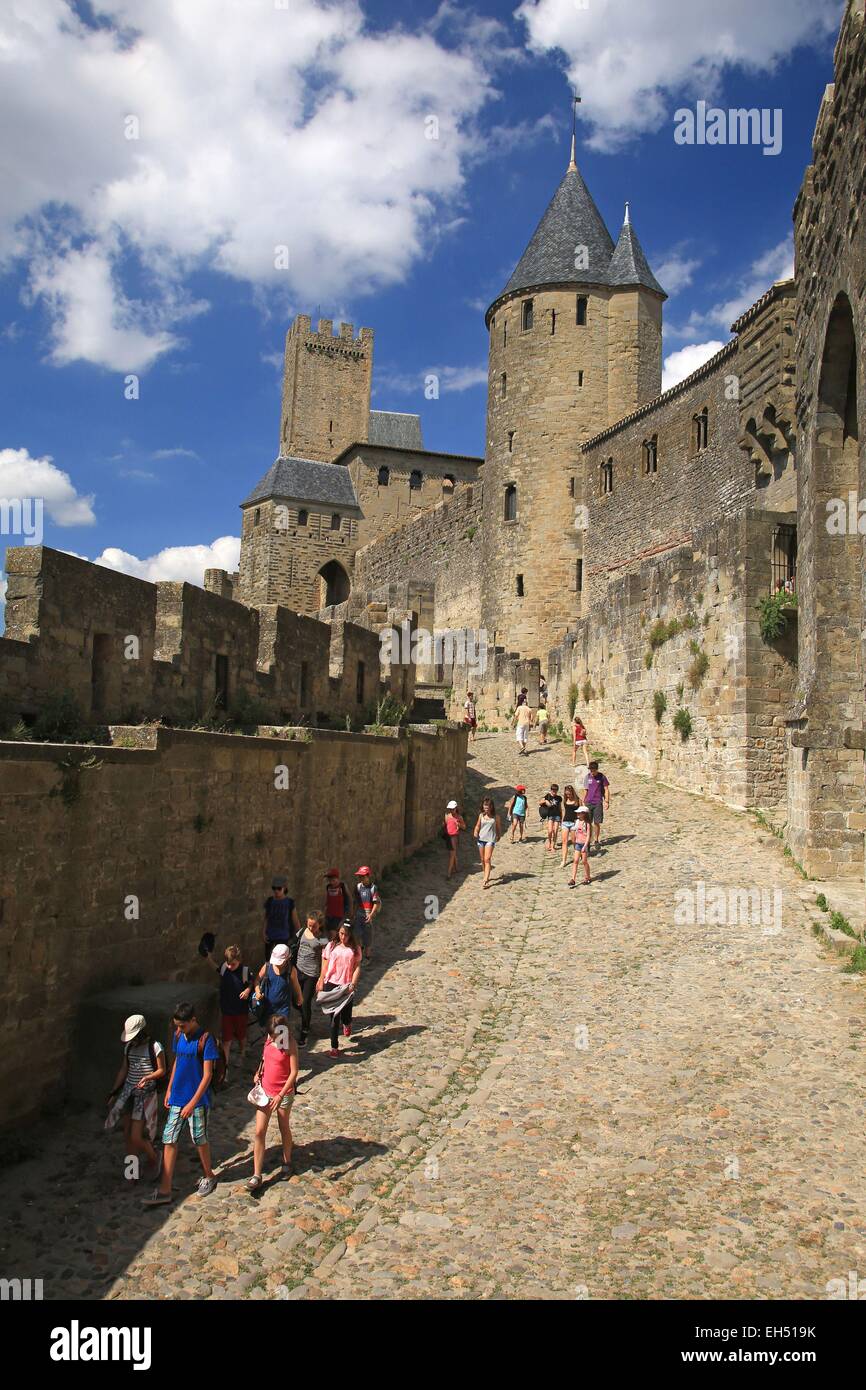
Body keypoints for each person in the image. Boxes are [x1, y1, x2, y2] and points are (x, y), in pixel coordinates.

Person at [142, 1003, 220, 1206]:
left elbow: (207, 1075)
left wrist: (193, 1102)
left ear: (193, 1020)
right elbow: (177, 1061)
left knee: (199, 1138)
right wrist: (169, 1088)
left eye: (182, 1026)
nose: (179, 1029)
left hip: (197, 1100)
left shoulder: (206, 1039)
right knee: (169, 1138)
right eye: (177, 1025)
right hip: (178, 1097)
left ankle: (209, 1175)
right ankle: (165, 1189)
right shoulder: (178, 1036)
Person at [105, 1014, 166, 1182]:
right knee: (127, 1134)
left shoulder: (155, 1047)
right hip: (128, 1093)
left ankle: (154, 1157)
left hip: (144, 1095)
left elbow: (162, 1070)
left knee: (136, 1136)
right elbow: (124, 1069)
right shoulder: (129, 1048)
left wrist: (148, 1078)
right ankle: (132, 1172)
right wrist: (113, 1092)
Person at [247, 1014, 299, 1190]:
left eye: (275, 1035)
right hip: (265, 1091)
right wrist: (259, 1072)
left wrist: (280, 1095)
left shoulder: (290, 1043)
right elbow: (264, 1057)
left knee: (284, 1127)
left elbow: (293, 1072)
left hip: (283, 1094)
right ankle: (256, 1174)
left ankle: (287, 1161)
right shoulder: (269, 1038)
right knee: (259, 1131)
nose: (272, 1037)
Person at [317, 920, 362, 1058]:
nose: (343, 937)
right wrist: (320, 980)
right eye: (341, 933)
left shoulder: (355, 949)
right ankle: (334, 1046)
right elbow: (325, 963)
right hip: (331, 983)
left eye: (346, 935)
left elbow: (357, 967)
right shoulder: (331, 946)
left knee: (346, 1015)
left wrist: (353, 984)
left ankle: (347, 1023)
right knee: (333, 1017)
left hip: (346, 985)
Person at [204, 943, 252, 1071]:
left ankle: (242, 1052)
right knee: (226, 1039)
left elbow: (251, 984)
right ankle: (224, 1067)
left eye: (233, 964)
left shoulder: (244, 971)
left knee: (241, 1035)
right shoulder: (225, 968)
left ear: (239, 961)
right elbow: (215, 967)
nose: (230, 967)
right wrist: (208, 957)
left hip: (240, 1011)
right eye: (228, 964)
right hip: (227, 1011)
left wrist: (247, 990)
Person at [295, 911, 328, 1045]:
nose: (310, 928)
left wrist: (321, 977)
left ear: (319, 925)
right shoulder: (302, 931)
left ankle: (305, 1030)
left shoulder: (323, 939)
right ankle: (304, 1016)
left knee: (305, 1002)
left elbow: (325, 959)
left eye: (313, 926)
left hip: (311, 974)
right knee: (295, 1000)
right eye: (309, 925)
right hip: (298, 971)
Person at [254, 943, 303, 1026]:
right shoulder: (267, 967)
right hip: (267, 1006)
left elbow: (296, 985)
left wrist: (299, 997)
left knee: (281, 1030)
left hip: (283, 1009)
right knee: (269, 1029)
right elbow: (257, 981)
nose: (277, 964)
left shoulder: (291, 971)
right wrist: (258, 992)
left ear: (287, 959)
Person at [263, 875, 301, 959]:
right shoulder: (270, 901)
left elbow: (295, 920)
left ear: (284, 888)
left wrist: (299, 935)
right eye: (274, 888)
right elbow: (266, 918)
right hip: (270, 935)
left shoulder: (290, 903)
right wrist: (264, 932)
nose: (276, 891)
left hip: (283, 937)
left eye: (279, 888)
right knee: (268, 959)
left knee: (281, 959)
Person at [353, 867, 381, 961]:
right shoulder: (358, 887)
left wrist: (371, 914)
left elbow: (376, 903)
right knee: (357, 934)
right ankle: (360, 954)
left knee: (367, 935)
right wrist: (354, 912)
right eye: (359, 876)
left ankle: (367, 957)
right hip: (359, 913)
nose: (360, 878)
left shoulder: (373, 888)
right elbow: (356, 901)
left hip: (368, 914)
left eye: (362, 876)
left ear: (368, 876)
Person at [473, 796, 501, 889]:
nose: (486, 807)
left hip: (490, 840)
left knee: (487, 859)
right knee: (482, 859)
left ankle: (485, 880)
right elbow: (477, 826)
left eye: (488, 806)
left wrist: (498, 835)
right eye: (485, 805)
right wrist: (476, 831)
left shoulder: (496, 817)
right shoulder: (481, 815)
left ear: (491, 806)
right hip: (481, 840)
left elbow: (498, 828)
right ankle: (486, 873)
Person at [585, 761, 611, 852]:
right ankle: (587, 841)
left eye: (593, 770)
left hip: (597, 802)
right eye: (590, 770)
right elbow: (585, 790)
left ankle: (596, 840)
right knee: (587, 823)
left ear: (596, 769)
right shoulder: (587, 777)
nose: (592, 772)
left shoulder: (602, 777)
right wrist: (583, 802)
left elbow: (606, 789)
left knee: (596, 822)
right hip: (588, 803)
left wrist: (607, 801)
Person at [568, 805, 592, 887]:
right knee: (575, 861)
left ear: (584, 814)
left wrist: (585, 846)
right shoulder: (577, 822)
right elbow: (574, 830)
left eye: (579, 813)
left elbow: (588, 835)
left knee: (584, 861)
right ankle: (573, 879)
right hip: (578, 844)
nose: (578, 814)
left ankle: (588, 877)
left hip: (584, 844)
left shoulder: (587, 823)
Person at [324, 869, 351, 940]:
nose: (331, 882)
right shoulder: (328, 887)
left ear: (338, 878)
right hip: (329, 916)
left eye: (333, 880)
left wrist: (347, 916)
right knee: (330, 935)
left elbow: (349, 900)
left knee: (336, 935)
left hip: (339, 917)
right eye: (330, 880)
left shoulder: (342, 887)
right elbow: (328, 902)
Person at [444, 799, 466, 879]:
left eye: (453, 809)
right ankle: (456, 868)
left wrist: (459, 824)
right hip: (448, 837)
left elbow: (464, 827)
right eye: (450, 809)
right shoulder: (447, 815)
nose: (452, 810)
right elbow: (446, 825)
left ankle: (449, 873)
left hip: (454, 837)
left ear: (456, 808)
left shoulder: (459, 817)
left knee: (452, 854)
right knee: (453, 853)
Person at [560, 784, 580, 868]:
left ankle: (578, 856)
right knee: (564, 841)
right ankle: (564, 860)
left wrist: (580, 820)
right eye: (566, 794)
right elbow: (564, 811)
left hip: (573, 823)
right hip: (565, 822)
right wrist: (561, 821)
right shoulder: (565, 800)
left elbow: (582, 811)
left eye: (569, 794)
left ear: (572, 792)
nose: (568, 795)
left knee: (574, 841)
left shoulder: (578, 800)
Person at [542, 783, 562, 852]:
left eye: (556, 790)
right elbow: (540, 802)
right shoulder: (547, 796)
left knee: (555, 831)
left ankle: (553, 846)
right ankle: (549, 842)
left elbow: (560, 808)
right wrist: (545, 801)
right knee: (550, 831)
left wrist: (561, 818)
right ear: (551, 790)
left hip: (557, 816)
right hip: (550, 815)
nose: (554, 791)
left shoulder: (559, 798)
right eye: (553, 790)